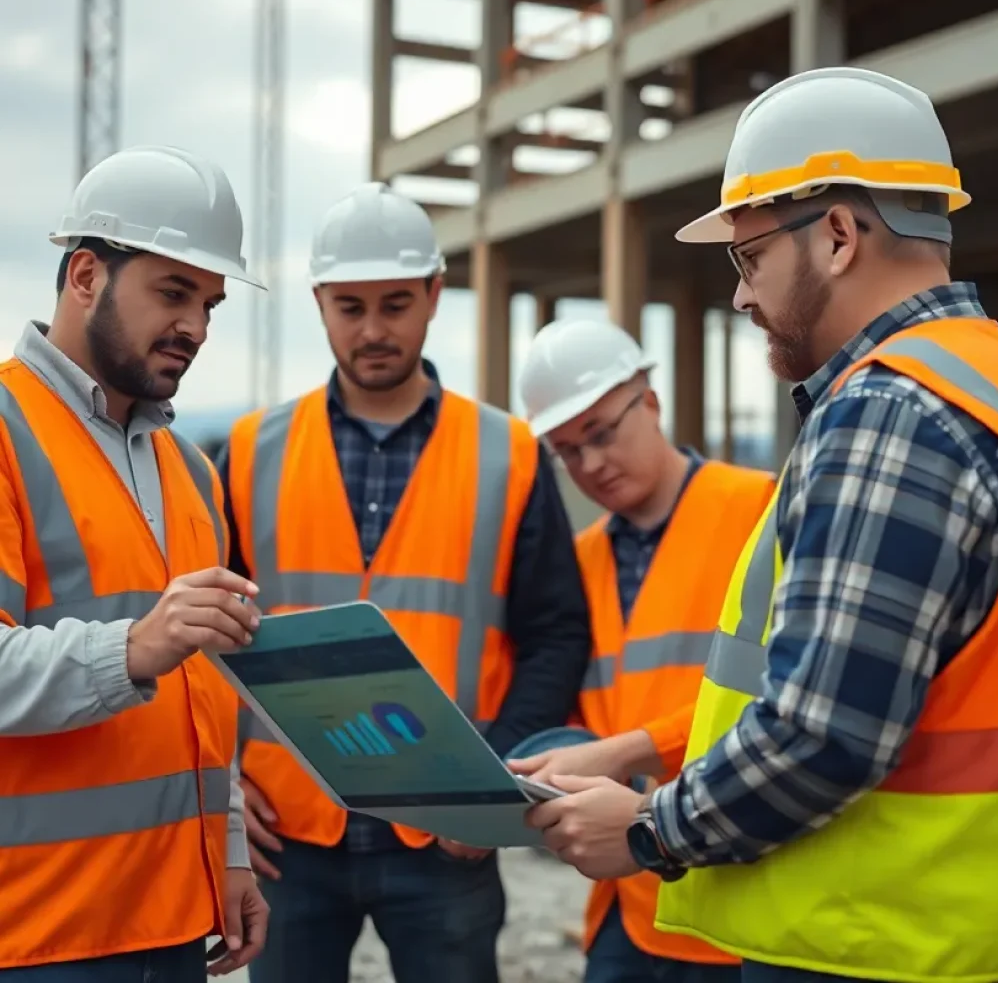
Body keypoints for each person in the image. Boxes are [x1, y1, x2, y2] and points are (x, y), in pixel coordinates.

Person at [524, 65, 998, 983]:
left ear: (837, 235)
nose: (742, 298)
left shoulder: (891, 411)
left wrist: (647, 828)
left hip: (873, 938)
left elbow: (823, 731)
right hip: (969, 933)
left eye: (750, 259)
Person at [216, 181, 593, 983]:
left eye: (395, 303)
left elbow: (557, 634)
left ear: (434, 293)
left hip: (445, 835)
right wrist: (223, 783)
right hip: (289, 827)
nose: (374, 329)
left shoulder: (509, 453)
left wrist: (490, 783)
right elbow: (205, 637)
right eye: (349, 307)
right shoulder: (250, 452)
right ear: (319, 303)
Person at [0, 144, 270, 980]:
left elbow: (206, 691)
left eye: (210, 303)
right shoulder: (5, 432)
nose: (193, 325)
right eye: (173, 291)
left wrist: (226, 849)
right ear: (85, 276)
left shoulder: (191, 470)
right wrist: (132, 648)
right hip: (39, 933)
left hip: (173, 924)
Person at [508, 319, 775, 983]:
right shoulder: (580, 561)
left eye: (600, 434)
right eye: (567, 451)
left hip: (740, 898)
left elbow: (783, 700)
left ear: (650, 403)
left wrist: (628, 750)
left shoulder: (759, 511)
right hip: (627, 906)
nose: (590, 464)